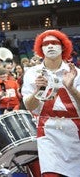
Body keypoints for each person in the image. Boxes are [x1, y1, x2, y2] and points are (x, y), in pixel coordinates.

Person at [22, 29, 80, 177]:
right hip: (48, 132)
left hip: (75, 132)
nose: (50, 46)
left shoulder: (76, 73)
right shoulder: (32, 73)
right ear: (40, 49)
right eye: (46, 44)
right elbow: (29, 106)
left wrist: (71, 88)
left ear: (63, 47)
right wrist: (38, 91)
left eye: (55, 43)